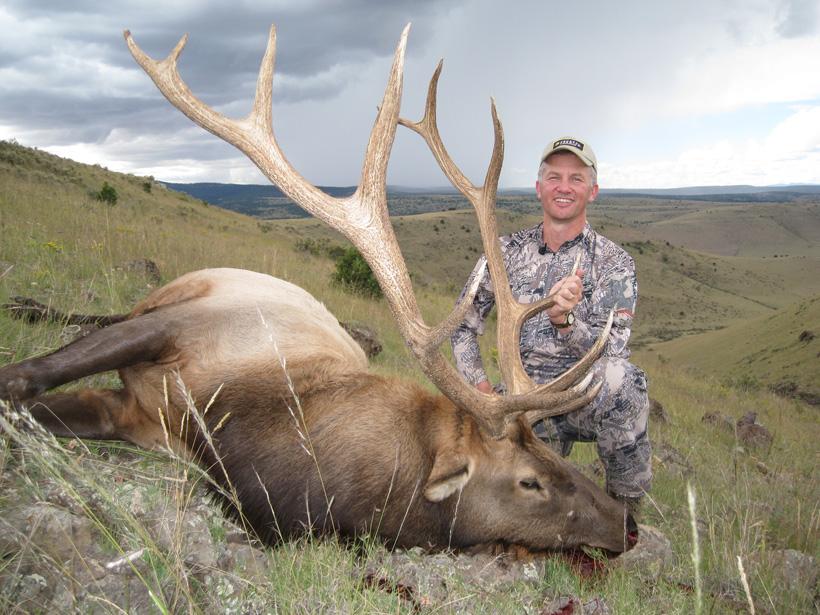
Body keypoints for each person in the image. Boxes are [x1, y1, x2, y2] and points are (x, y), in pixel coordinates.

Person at [450, 136, 651, 513]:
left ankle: (626, 517)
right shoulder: (504, 252)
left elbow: (615, 353)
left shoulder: (615, 263)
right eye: (554, 177)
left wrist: (566, 322)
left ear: (593, 191)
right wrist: (482, 391)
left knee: (625, 383)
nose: (564, 187)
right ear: (538, 187)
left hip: (584, 397)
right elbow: (462, 327)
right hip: (523, 400)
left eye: (577, 178)